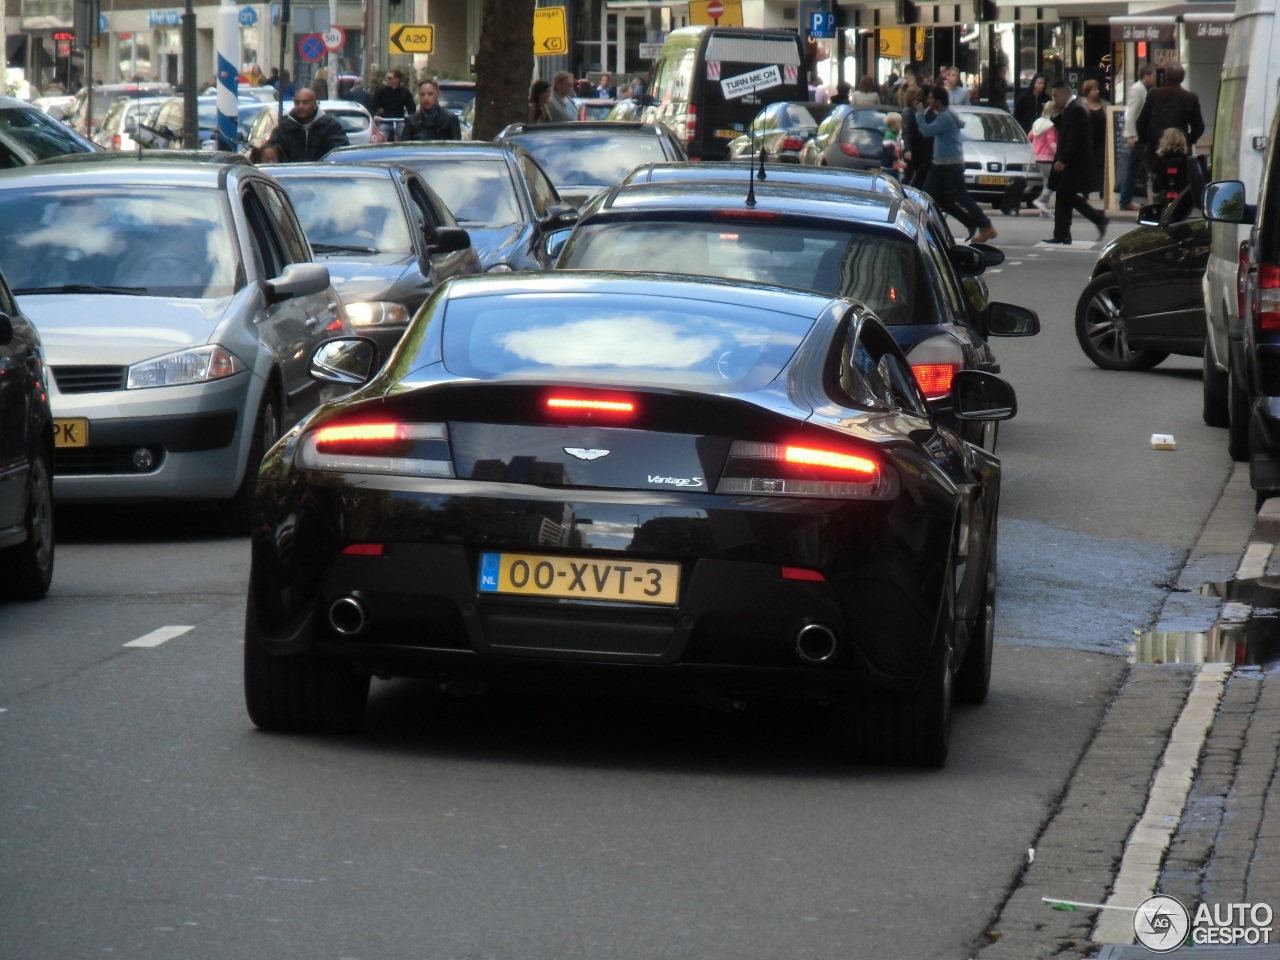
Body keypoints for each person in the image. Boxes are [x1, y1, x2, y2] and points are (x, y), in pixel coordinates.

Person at [916, 84, 997, 243]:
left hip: (950, 165)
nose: (929, 100)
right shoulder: (945, 114)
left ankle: (986, 226)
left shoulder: (945, 117)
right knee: (928, 197)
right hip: (940, 165)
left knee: (961, 197)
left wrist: (919, 114)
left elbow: (926, 131)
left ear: (938, 100)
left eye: (931, 98)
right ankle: (926, 229)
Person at [1044, 80, 1108, 244]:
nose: (1054, 99)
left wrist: (1063, 160)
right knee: (1064, 195)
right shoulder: (1071, 108)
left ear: (1065, 94)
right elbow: (1065, 130)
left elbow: (1074, 139)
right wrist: (1056, 114)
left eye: (1056, 96)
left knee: (1067, 195)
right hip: (1071, 160)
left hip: (1075, 161)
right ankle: (1062, 233)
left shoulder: (1077, 109)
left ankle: (1096, 219)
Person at [1135, 63, 1205, 178]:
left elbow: (1141, 122)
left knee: (1155, 180)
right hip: (1181, 149)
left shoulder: (1154, 94)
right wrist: (1188, 140)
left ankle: (1156, 193)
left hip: (1156, 149)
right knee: (1183, 180)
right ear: (1182, 78)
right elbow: (1199, 127)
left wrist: (1146, 141)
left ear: (1165, 77)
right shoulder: (1190, 97)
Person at [265, 87, 349, 161]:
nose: (300, 106)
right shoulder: (283, 128)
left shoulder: (330, 126)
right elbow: (272, 154)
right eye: (297, 103)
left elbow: (340, 153)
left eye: (305, 102)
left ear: (315, 105)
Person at [1119, 63, 1158, 211]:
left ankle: (1125, 199)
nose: (1155, 78)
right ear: (1146, 76)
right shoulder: (1137, 89)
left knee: (1133, 167)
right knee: (1147, 166)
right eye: (1153, 75)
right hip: (1136, 136)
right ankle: (1148, 198)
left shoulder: (1142, 89)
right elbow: (1131, 112)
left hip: (1138, 135)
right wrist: (1130, 135)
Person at [1081, 79, 1109, 199]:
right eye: (1094, 89)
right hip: (1087, 140)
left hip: (1102, 140)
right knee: (1087, 165)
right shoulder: (1081, 105)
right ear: (1087, 92)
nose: (1097, 91)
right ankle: (1085, 191)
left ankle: (1102, 190)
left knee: (1101, 165)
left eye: (1097, 89)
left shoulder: (1105, 105)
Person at [902, 83, 933, 188]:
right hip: (912, 148)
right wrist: (907, 149)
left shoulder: (915, 110)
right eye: (917, 97)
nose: (920, 100)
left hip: (917, 149)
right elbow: (907, 131)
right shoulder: (908, 111)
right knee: (909, 176)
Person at [1030, 102, 1058, 216]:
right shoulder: (1050, 126)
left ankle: (1044, 209)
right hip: (1048, 158)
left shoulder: (1037, 123)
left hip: (1038, 157)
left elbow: (1030, 136)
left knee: (1047, 183)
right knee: (1054, 182)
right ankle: (1041, 200)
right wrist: (1058, 154)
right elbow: (1051, 143)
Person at [372, 68, 416, 137]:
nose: (387, 80)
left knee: (405, 136)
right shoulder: (381, 91)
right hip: (384, 121)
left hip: (399, 121)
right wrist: (374, 116)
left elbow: (412, 107)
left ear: (397, 79)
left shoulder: (404, 91)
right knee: (380, 137)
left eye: (389, 78)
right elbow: (373, 105)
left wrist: (410, 118)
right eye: (387, 77)